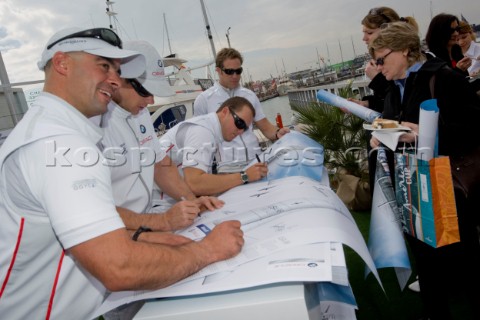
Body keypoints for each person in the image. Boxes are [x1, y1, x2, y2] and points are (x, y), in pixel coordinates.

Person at [0, 27, 244, 320]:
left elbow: (157, 164)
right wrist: (207, 250)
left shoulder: (60, 128)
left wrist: (151, 229)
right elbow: (118, 266)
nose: (114, 80)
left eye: (116, 70)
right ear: (62, 63)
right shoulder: (58, 142)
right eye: (104, 66)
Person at [369, 21, 480, 319]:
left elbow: (473, 128)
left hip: (447, 184)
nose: (378, 67)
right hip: (414, 187)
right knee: (427, 263)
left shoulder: (444, 77)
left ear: (406, 49)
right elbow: (395, 126)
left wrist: (423, 132)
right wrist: (381, 134)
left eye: (382, 59)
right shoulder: (394, 89)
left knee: (463, 260)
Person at [94, 40, 224, 234]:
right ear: (116, 79)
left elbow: (160, 166)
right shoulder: (94, 123)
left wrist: (192, 200)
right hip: (117, 231)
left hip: (146, 218)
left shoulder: (141, 113)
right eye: (145, 91)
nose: (151, 100)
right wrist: (163, 221)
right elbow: (94, 209)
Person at [193, 48, 290, 167]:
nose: (235, 76)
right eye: (229, 71)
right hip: (227, 167)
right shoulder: (204, 100)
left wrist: (277, 133)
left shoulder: (249, 95)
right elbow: (199, 138)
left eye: (238, 71)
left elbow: (265, 126)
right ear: (218, 71)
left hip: (255, 161)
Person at [162, 96, 268, 196]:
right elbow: (194, 183)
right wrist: (245, 176)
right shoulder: (203, 131)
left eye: (245, 129)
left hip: (173, 195)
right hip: (158, 202)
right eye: (240, 123)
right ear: (225, 112)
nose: (240, 131)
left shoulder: (212, 131)